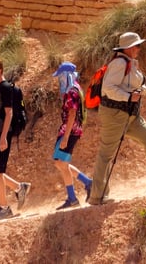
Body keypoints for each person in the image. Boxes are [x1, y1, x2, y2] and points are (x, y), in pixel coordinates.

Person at [88, 32, 146, 205]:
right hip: (114, 115)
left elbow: (134, 92)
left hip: (130, 115)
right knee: (106, 154)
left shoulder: (131, 64)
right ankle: (97, 196)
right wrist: (128, 97)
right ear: (128, 48)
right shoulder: (119, 64)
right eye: (137, 45)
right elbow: (108, 89)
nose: (139, 48)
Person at [0, 56, 31, 221]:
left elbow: (9, 113)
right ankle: (19, 187)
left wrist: (3, 137)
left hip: (0, 133)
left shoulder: (5, 88)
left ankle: (4, 208)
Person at [51, 62, 93, 209]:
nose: (59, 80)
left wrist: (66, 137)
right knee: (60, 163)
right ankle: (87, 184)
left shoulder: (72, 92)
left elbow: (72, 113)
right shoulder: (76, 89)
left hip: (69, 130)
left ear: (66, 75)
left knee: (61, 163)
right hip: (73, 130)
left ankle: (73, 196)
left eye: (61, 76)